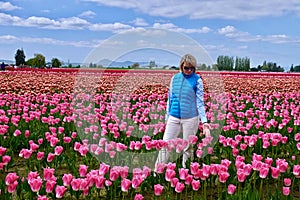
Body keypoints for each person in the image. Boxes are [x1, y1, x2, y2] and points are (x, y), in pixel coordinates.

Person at [155, 54, 211, 169]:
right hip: (174, 116)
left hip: (190, 118)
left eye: (192, 68)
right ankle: (157, 171)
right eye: (186, 68)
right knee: (165, 144)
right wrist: (167, 117)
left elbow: (200, 102)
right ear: (181, 66)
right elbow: (170, 99)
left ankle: (186, 172)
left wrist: (204, 122)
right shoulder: (174, 79)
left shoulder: (197, 80)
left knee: (187, 147)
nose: (189, 70)